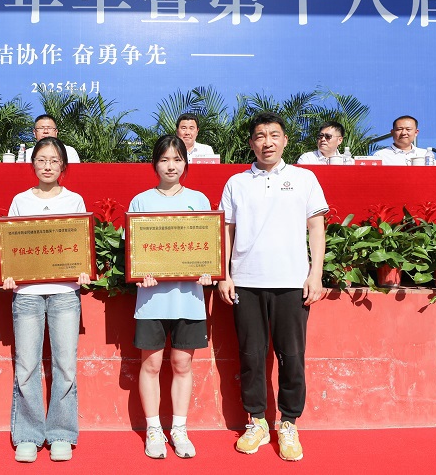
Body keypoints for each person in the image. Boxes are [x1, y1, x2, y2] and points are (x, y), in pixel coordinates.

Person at [217, 112, 328, 462]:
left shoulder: (304, 178)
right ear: (251, 143)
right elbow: (226, 230)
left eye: (274, 135)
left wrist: (315, 274)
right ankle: (257, 422)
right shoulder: (236, 183)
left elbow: (317, 228)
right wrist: (224, 274)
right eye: (261, 136)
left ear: (285, 141)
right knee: (251, 356)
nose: (268, 142)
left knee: (291, 356)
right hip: (246, 282)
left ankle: (289, 423)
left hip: (292, 282)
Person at [3, 136, 90, 463]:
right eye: (42, 160)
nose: (48, 166)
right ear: (33, 164)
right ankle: (28, 434)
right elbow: (10, 243)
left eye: (54, 161)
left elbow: (80, 242)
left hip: (65, 292)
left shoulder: (74, 200)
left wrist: (83, 269)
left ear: (63, 165)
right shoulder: (20, 200)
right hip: (26, 294)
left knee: (65, 365)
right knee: (26, 365)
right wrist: (9, 272)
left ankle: (61, 434)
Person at [128, 135, 213, 460]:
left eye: (177, 159)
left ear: (185, 163)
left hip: (188, 298)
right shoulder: (141, 202)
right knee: (151, 364)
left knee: (182, 363)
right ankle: (153, 429)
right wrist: (140, 272)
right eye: (164, 159)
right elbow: (133, 250)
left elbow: (208, 246)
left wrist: (208, 270)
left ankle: (179, 428)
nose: (171, 166)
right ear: (155, 164)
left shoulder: (199, 200)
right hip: (152, 300)